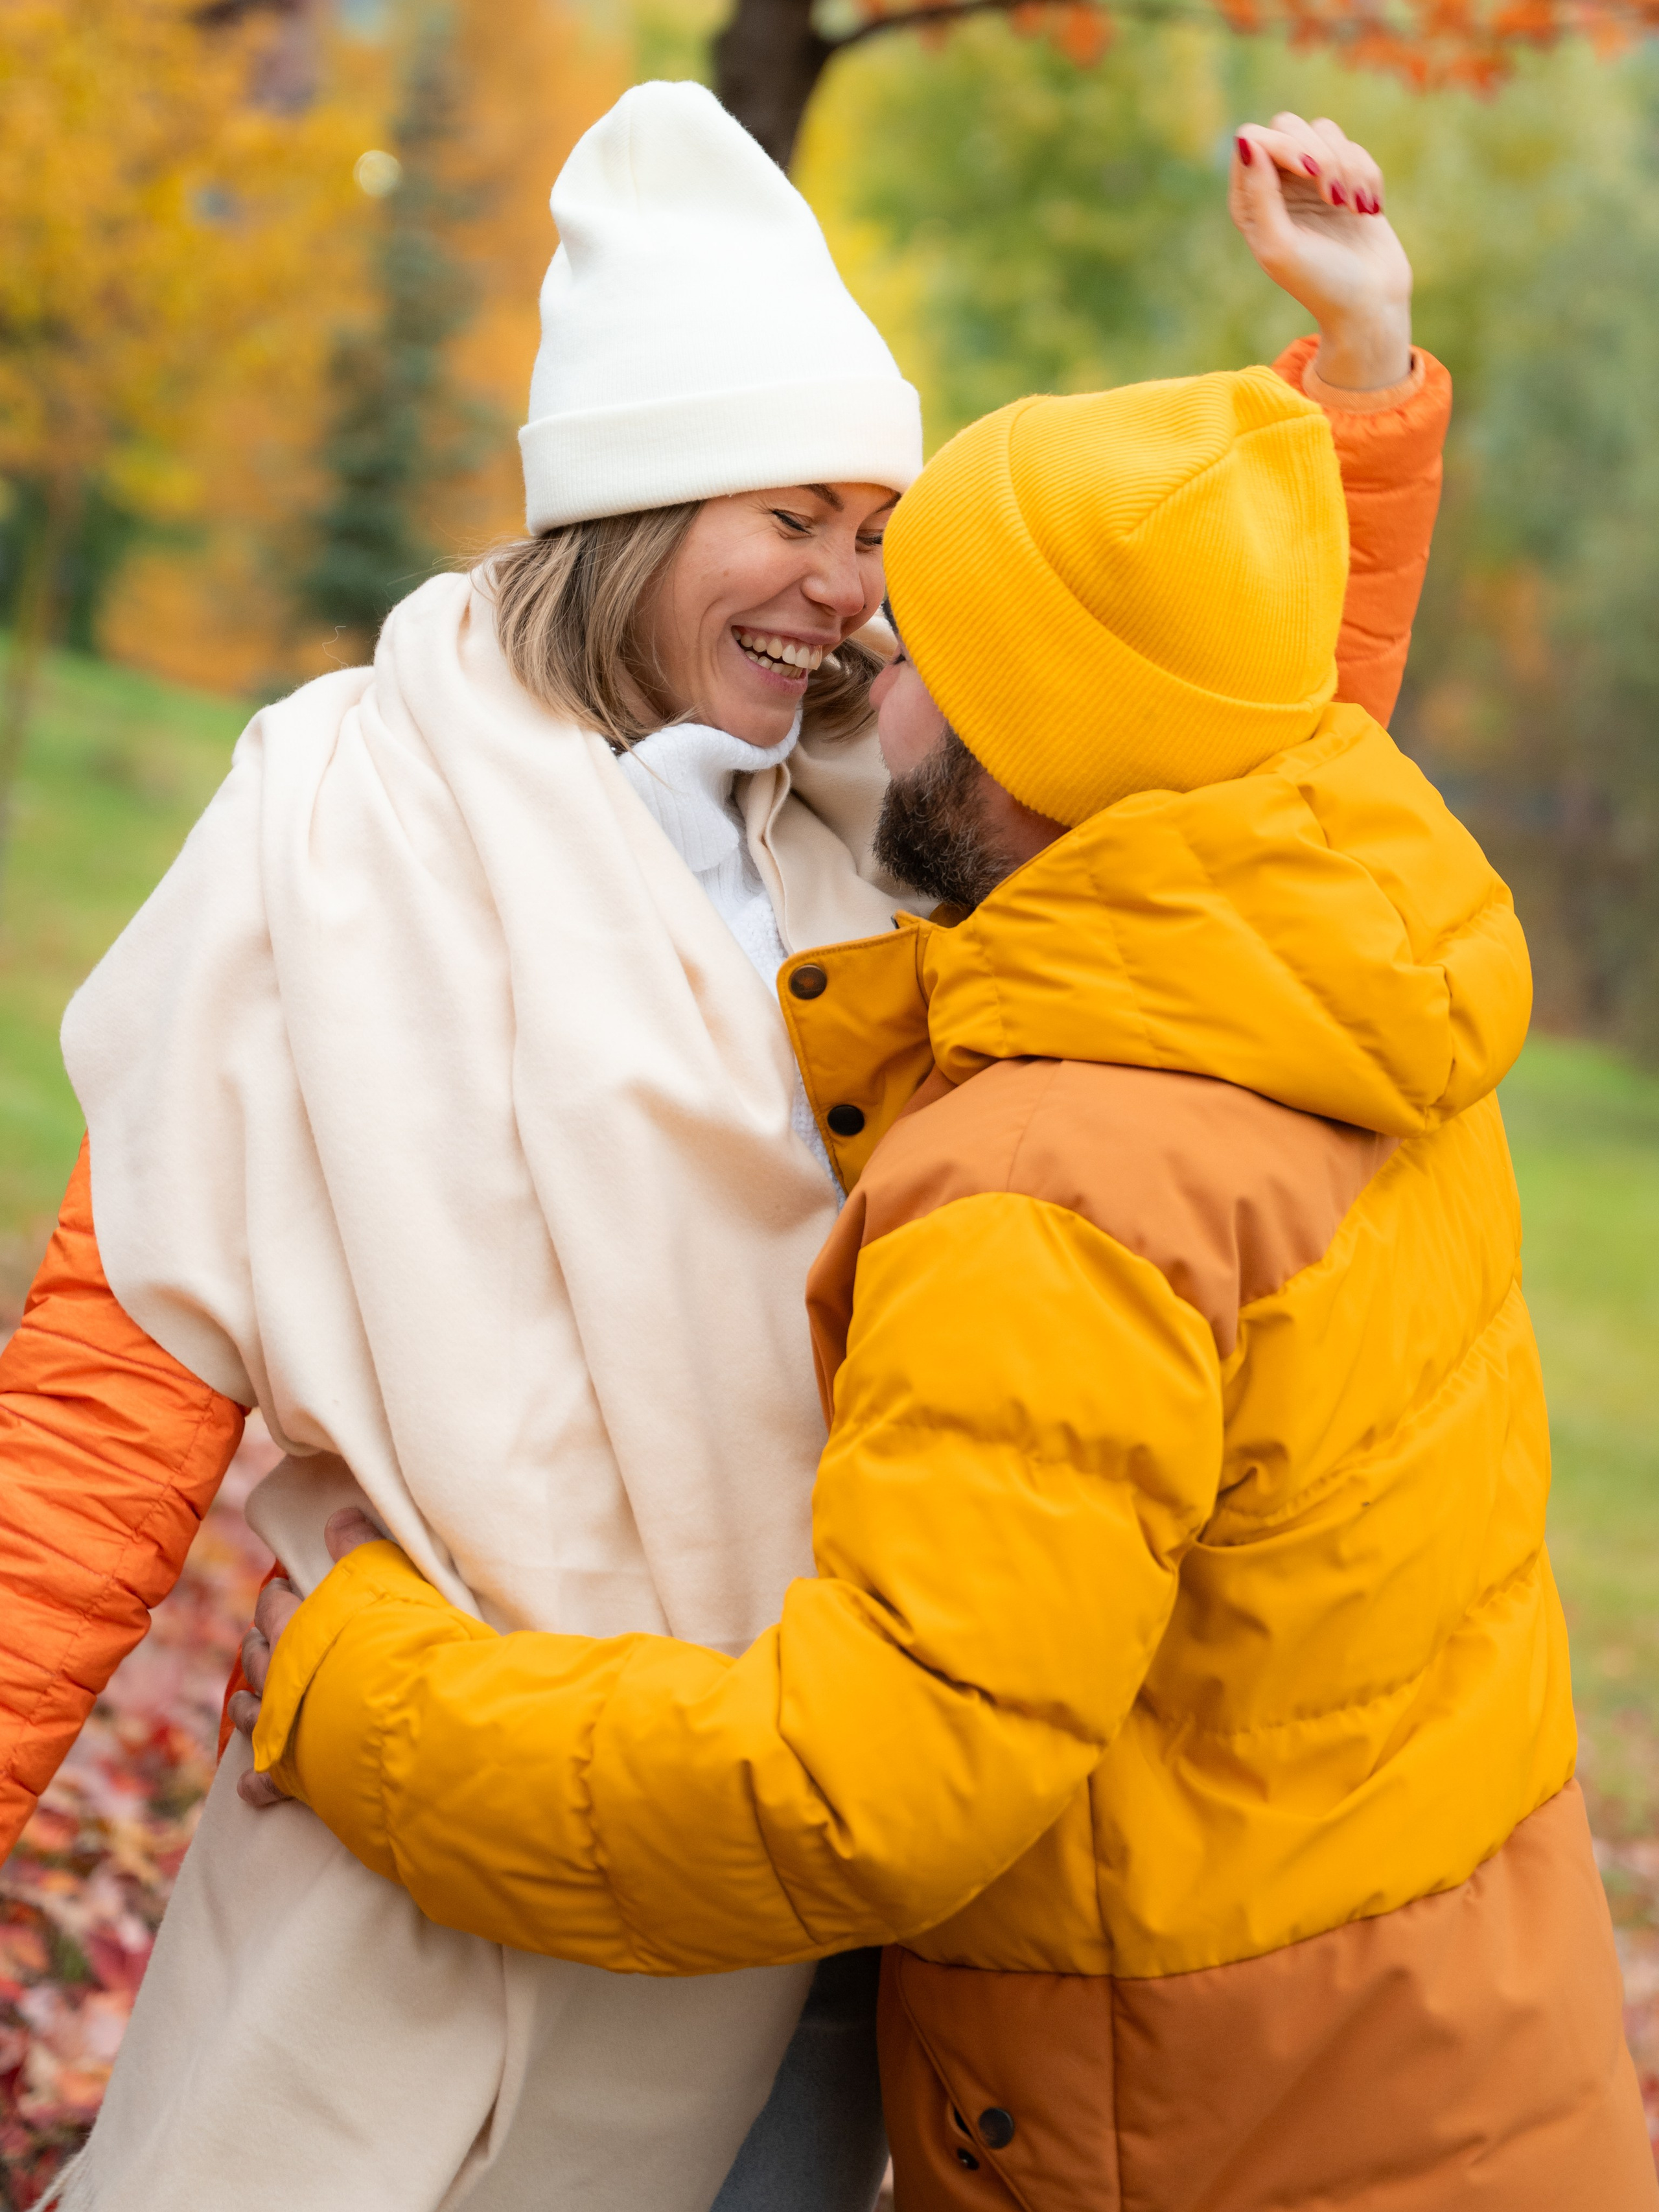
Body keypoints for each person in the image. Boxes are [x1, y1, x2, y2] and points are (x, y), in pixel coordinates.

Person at [0, 86, 1449, 2212]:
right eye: (792, 515)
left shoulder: (898, 815)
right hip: (412, 1870)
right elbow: (104, 1417)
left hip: (811, 1903)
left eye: (878, 532)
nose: (848, 591)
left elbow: (1234, 774)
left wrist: (1364, 381)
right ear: (632, 505)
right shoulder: (331, 824)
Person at [242, 346, 1654, 2211]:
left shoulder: (1056, 1188)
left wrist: (350, 1688)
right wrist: (1368, 401)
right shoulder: (1346, 959)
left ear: (1036, 733)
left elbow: (855, 1793)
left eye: (910, 655)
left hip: (1206, 2141)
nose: (863, 687)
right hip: (1472, 2065)